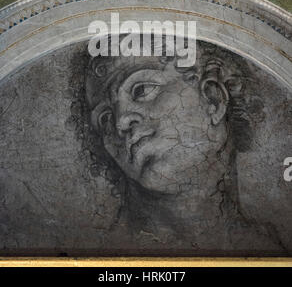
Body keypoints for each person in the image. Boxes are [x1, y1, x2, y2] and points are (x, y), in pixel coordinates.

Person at [82, 37, 285, 253]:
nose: (120, 122)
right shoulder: (100, 252)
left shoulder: (265, 249)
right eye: (104, 118)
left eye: (141, 90)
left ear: (213, 99)